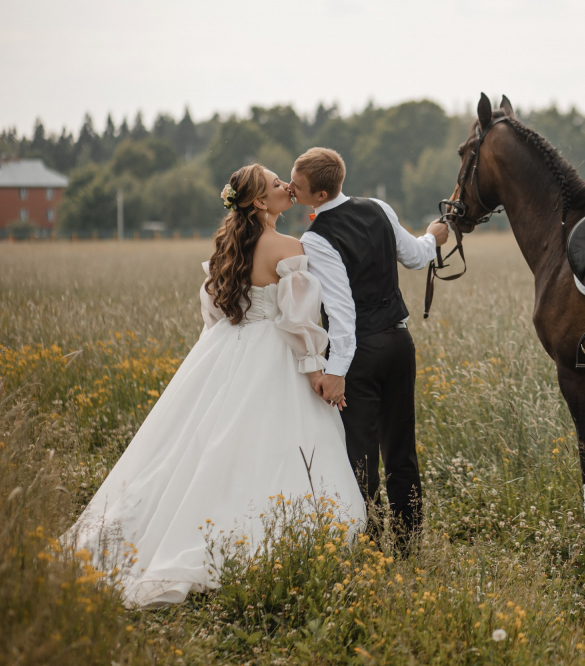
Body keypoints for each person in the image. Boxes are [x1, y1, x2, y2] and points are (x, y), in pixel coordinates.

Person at [63, 164, 366, 609]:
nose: (287, 186)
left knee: (204, 444)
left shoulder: (229, 246)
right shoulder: (288, 247)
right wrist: (317, 371)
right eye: (276, 183)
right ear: (261, 202)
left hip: (226, 347)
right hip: (274, 351)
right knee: (274, 444)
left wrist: (226, 349)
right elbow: (299, 323)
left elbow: (215, 313)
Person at [288, 147, 448, 553]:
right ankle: (409, 544)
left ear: (319, 196)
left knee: (360, 454)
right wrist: (434, 235)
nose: (291, 187)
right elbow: (415, 257)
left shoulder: (316, 237)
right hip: (399, 343)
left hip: (360, 353)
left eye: (298, 184)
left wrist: (337, 370)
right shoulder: (378, 207)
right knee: (401, 449)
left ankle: (372, 547)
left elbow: (342, 312)